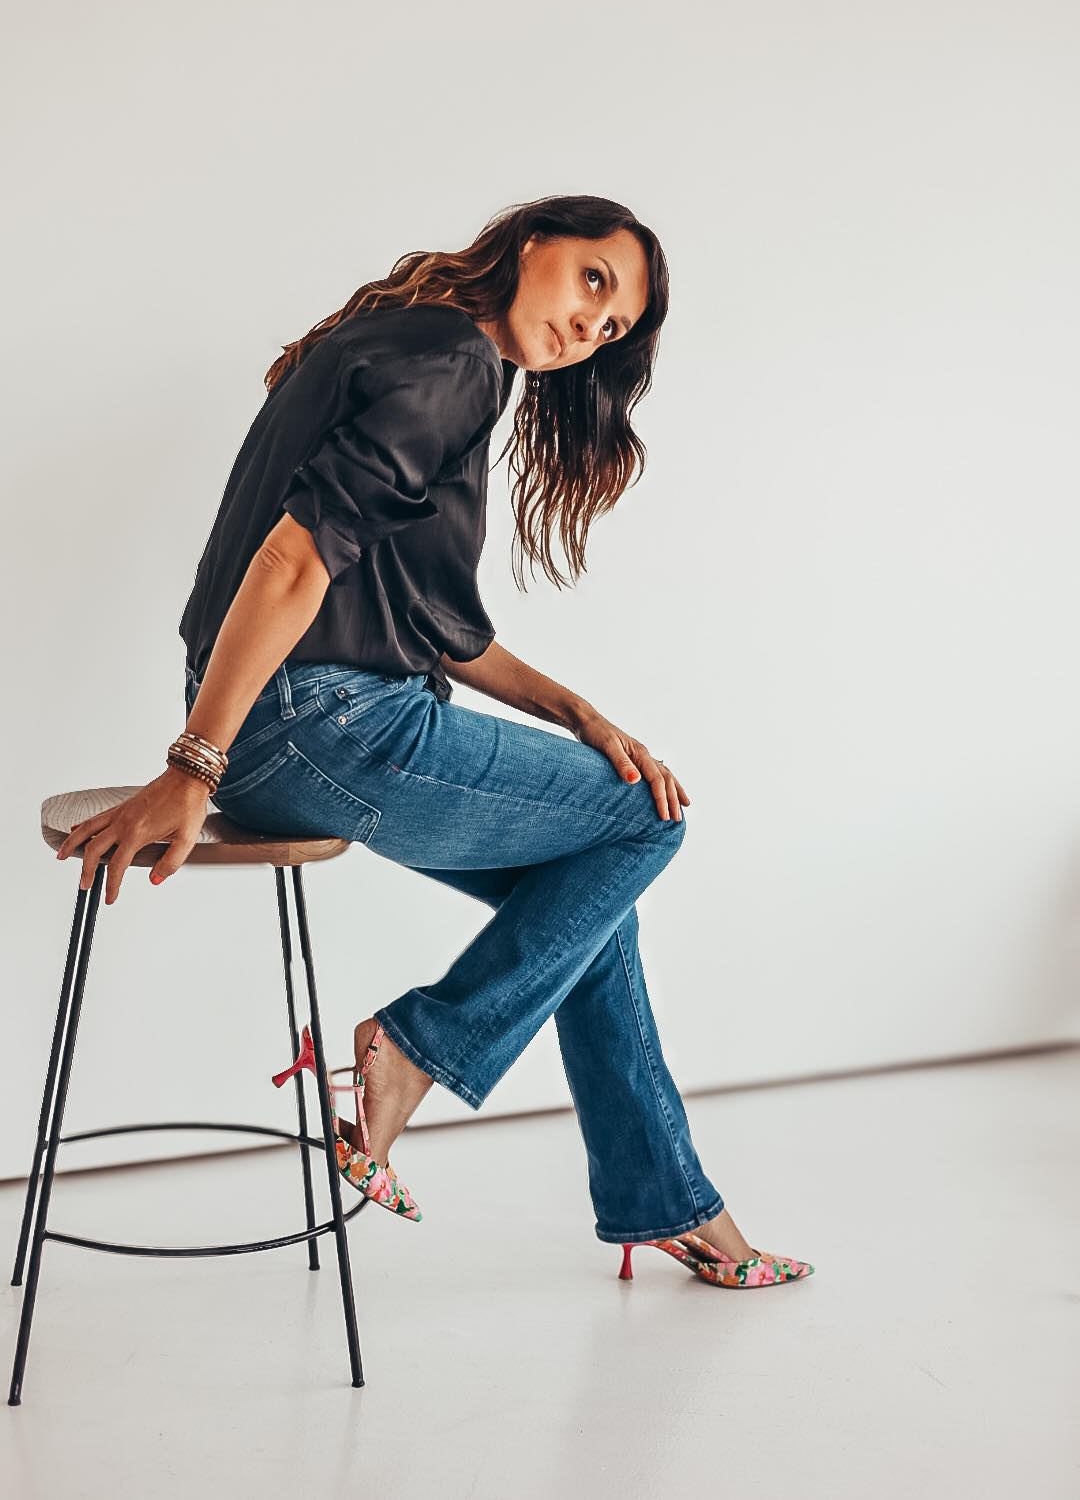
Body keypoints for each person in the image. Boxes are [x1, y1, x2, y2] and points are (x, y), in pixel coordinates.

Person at [57, 194, 814, 1290]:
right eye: (592, 282)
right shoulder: (458, 365)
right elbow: (291, 564)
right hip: (313, 722)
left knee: (588, 910)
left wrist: (579, 714)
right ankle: (417, 1047)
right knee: (641, 823)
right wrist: (192, 763)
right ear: (531, 243)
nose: (588, 327)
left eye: (612, 329)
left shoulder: (414, 344)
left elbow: (431, 628)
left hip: (297, 722)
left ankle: (671, 1204)